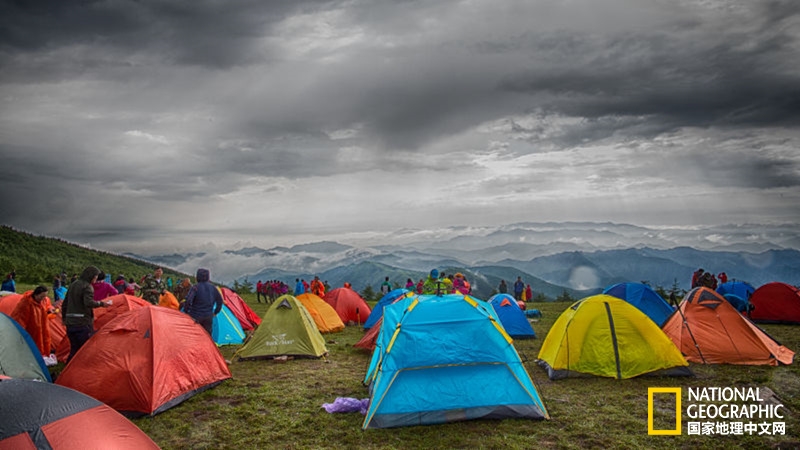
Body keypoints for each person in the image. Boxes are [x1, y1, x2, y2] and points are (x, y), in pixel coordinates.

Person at [62, 266, 112, 362]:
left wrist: (64, 318)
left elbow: (65, 303)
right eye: (95, 276)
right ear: (91, 276)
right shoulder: (87, 287)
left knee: (74, 349)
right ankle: (81, 371)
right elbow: (88, 303)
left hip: (70, 322)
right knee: (84, 349)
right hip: (82, 322)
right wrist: (102, 304)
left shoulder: (73, 284)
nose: (96, 279)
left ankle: (69, 370)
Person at [10, 286, 52, 356]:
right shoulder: (26, 303)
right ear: (36, 295)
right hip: (30, 330)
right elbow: (19, 318)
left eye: (44, 297)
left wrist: (50, 309)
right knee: (31, 345)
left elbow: (47, 306)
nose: (43, 299)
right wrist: (21, 332)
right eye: (41, 297)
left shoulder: (43, 300)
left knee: (42, 341)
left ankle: (40, 356)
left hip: (42, 327)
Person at [183, 268, 223, 336]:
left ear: (198, 277)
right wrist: (216, 312)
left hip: (195, 316)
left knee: (195, 336)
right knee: (207, 336)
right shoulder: (213, 288)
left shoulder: (195, 287)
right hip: (208, 316)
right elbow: (220, 301)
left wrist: (186, 311)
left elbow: (188, 300)